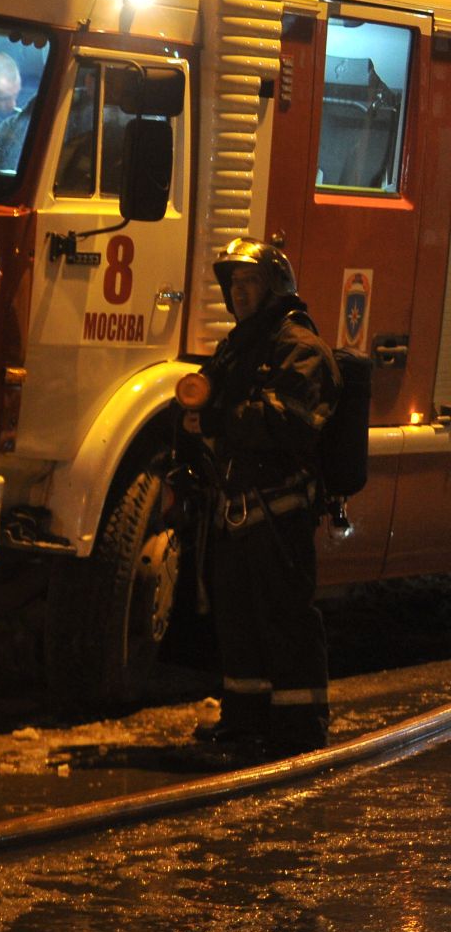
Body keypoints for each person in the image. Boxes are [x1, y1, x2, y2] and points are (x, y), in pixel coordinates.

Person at [184, 237, 342, 759]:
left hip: (281, 509)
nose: (239, 293)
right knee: (238, 617)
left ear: (274, 289)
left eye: (249, 283)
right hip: (238, 506)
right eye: (234, 286)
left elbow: (289, 421)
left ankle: (299, 726)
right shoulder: (239, 346)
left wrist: (220, 415)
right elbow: (212, 399)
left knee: (284, 617)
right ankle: (245, 719)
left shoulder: (300, 348)